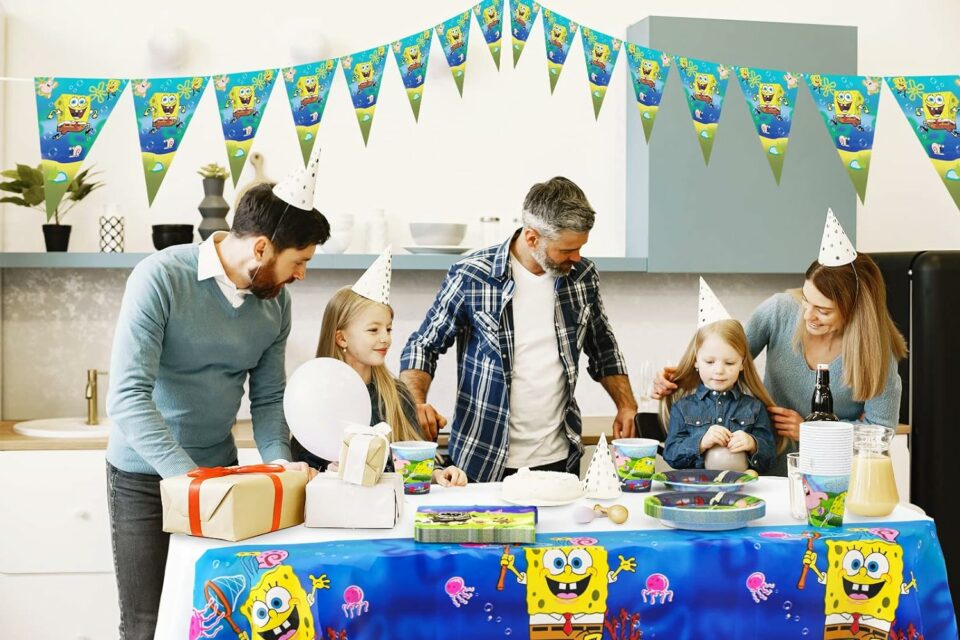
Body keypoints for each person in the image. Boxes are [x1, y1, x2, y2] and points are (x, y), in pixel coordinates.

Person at [105, 159, 330, 640]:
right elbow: (126, 396)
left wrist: (278, 464)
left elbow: (269, 398)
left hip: (220, 475)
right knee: (147, 623)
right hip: (145, 478)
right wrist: (188, 480)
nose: (302, 275)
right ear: (263, 248)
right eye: (299, 262)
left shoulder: (275, 304)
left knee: (217, 618)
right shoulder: (161, 278)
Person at [400, 176, 637, 483]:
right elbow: (423, 344)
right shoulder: (473, 274)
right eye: (566, 249)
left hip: (559, 458)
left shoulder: (583, 275)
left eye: (580, 248)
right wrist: (416, 403)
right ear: (532, 237)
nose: (576, 258)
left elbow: (603, 346)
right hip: (480, 458)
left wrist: (626, 405)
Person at [654, 211, 906, 475]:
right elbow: (725, 357)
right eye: (806, 299)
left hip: (836, 475)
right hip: (771, 470)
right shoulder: (779, 312)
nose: (808, 315)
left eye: (823, 310)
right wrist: (676, 379)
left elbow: (880, 434)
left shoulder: (877, 354)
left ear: (856, 310)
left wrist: (812, 431)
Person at [292, 249, 468, 487]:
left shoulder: (396, 393)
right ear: (342, 338)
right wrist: (323, 473)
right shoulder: (317, 397)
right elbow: (303, 470)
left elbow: (410, 461)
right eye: (373, 330)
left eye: (389, 329)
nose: (385, 338)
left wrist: (438, 473)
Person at [660, 284, 780, 472]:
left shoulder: (754, 408)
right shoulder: (683, 408)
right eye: (709, 361)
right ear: (696, 361)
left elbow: (770, 459)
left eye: (730, 363)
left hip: (742, 490)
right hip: (698, 491)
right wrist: (700, 442)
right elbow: (671, 455)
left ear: (742, 364)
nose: (719, 371)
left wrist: (753, 443)